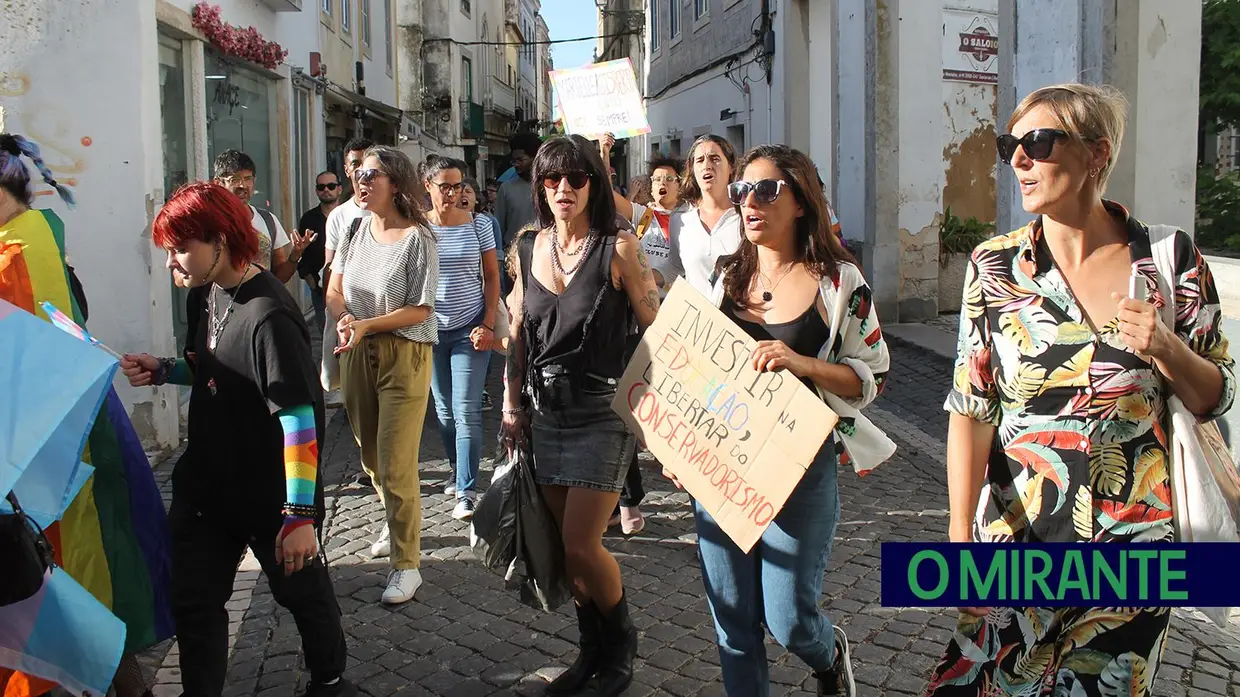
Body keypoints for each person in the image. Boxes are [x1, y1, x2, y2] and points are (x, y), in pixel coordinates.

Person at [925, 83, 1235, 696]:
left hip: (1134, 548)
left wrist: (1166, 347)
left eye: (1037, 143)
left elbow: (1215, 396)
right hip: (1019, 534)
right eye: (1010, 144)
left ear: (1097, 154)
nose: (1017, 159)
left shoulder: (1170, 260)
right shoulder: (994, 266)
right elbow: (972, 405)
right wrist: (961, 535)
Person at [120, 181, 353, 697]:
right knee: (194, 601)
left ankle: (330, 680)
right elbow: (214, 366)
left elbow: (297, 418)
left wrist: (299, 518)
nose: (171, 264)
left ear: (221, 240)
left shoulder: (268, 314)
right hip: (206, 488)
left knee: (300, 591)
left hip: (267, 493)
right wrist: (164, 370)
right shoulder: (207, 293)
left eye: (181, 249)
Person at [693, 144, 892, 697]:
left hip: (802, 466)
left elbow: (873, 374)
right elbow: (701, 374)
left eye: (765, 190)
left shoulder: (839, 283)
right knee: (732, 622)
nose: (748, 202)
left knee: (788, 619)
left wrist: (803, 363)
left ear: (801, 201)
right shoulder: (725, 278)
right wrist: (682, 445)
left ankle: (829, 656)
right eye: (741, 191)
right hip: (722, 465)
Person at [0, 134, 174, 697]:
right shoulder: (34, 233)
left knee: (60, 576)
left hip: (45, 440)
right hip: (51, 430)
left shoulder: (19, 247)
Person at [500, 135, 661, 697]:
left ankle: (620, 649)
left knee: (581, 545)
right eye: (551, 180)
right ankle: (591, 652)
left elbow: (655, 327)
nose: (563, 189)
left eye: (575, 178)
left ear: (594, 182)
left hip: (601, 413)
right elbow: (519, 331)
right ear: (540, 187)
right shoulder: (527, 247)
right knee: (569, 557)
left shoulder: (618, 248)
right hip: (546, 414)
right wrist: (509, 399)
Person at [326, 146, 439, 605]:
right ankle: (396, 526)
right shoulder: (353, 229)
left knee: (395, 461)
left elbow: (421, 307)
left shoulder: (419, 238)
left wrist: (367, 324)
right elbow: (334, 288)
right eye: (358, 173)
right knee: (371, 456)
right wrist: (346, 318)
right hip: (356, 352)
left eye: (372, 174)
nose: (361, 181)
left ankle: (406, 564)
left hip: (404, 353)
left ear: (395, 182)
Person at [421, 158, 501, 520]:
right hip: (431, 331)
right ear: (428, 187)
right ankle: (455, 469)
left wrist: (486, 323)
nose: (452, 193)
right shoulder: (418, 228)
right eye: (444, 186)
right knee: (443, 408)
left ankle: (466, 491)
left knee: (466, 409)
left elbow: (492, 277)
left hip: (471, 329)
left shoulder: (479, 225)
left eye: (457, 186)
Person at [320, 138, 375, 409]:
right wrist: (333, 313)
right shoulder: (339, 216)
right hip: (349, 309)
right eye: (356, 164)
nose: (362, 171)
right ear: (346, 169)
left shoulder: (394, 210)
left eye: (368, 164)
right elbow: (330, 269)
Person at [212, 150, 314, 282]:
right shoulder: (211, 222)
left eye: (248, 178)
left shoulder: (268, 220)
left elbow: (280, 278)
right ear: (218, 183)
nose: (243, 185)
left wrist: (295, 254)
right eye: (234, 180)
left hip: (261, 300)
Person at [298, 171, 342, 330]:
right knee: (327, 335)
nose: (326, 190)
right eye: (321, 187)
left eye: (331, 186)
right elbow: (301, 253)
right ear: (316, 191)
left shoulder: (349, 215)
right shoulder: (309, 219)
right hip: (320, 289)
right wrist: (310, 280)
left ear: (339, 189)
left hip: (347, 287)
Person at [495, 131, 542, 251]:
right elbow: (499, 228)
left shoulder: (550, 186)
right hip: (512, 256)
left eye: (521, 160)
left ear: (535, 158)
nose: (516, 164)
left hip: (544, 254)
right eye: (514, 160)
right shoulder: (506, 188)